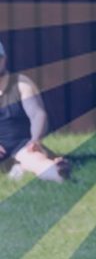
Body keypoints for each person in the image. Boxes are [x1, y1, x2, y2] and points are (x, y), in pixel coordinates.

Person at [0, 40, 69, 183]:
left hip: (21, 145)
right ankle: (16, 168)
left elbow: (37, 114)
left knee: (35, 159)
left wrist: (35, 140)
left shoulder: (21, 83)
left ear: (4, 59)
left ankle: (57, 172)